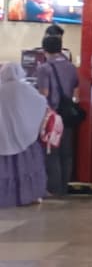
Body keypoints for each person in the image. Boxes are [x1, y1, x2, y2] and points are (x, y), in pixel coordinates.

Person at [0, 62, 49, 207]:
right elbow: (41, 102)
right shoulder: (25, 89)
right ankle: (30, 196)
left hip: (3, 135)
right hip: (24, 135)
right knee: (27, 167)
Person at [35, 34, 79, 195]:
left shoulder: (44, 68)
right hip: (68, 114)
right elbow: (76, 90)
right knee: (66, 152)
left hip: (51, 115)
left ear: (44, 49)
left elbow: (44, 93)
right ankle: (64, 188)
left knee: (51, 151)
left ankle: (54, 189)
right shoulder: (71, 67)